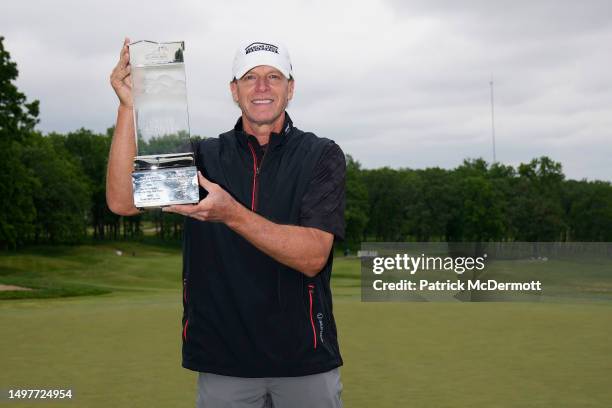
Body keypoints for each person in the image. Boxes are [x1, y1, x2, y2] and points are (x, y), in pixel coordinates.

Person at [108, 38, 345, 408]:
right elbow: (122, 200)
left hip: (305, 360)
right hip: (223, 361)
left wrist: (230, 213)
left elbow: (313, 255)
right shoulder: (203, 155)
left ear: (291, 88)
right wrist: (128, 108)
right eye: (249, 78)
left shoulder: (321, 155)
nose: (262, 87)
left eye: (273, 76)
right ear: (234, 91)